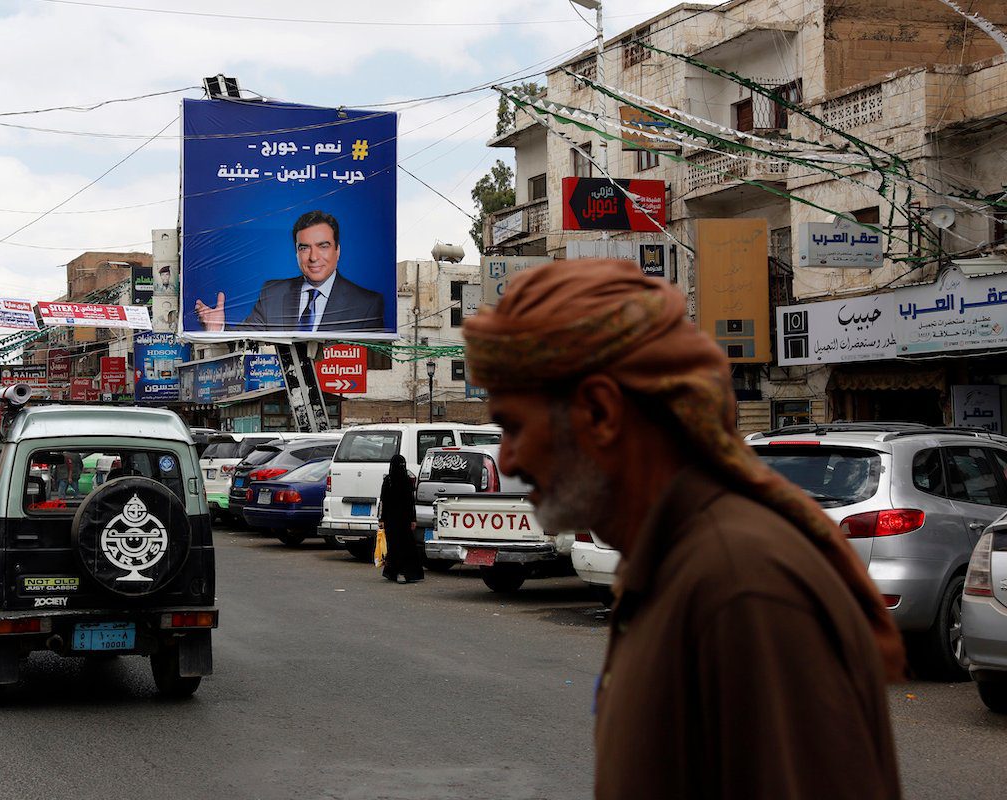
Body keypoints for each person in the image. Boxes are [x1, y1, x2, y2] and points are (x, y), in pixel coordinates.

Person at [462, 259, 904, 800]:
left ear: (600, 411)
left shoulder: (743, 584)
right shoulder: (672, 562)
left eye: (513, 427)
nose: (505, 460)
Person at [194, 210, 384, 333]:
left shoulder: (366, 303)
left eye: (323, 246)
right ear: (296, 252)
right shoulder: (273, 292)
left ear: (338, 250)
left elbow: (373, 360)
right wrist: (218, 329)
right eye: (304, 248)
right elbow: (247, 338)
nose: (313, 257)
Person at [378, 454, 423, 583]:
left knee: (402, 546)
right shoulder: (390, 481)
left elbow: (410, 502)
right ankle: (395, 572)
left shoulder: (402, 481)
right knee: (396, 546)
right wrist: (381, 519)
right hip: (396, 520)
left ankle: (404, 572)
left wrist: (412, 519)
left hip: (400, 520)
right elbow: (384, 500)